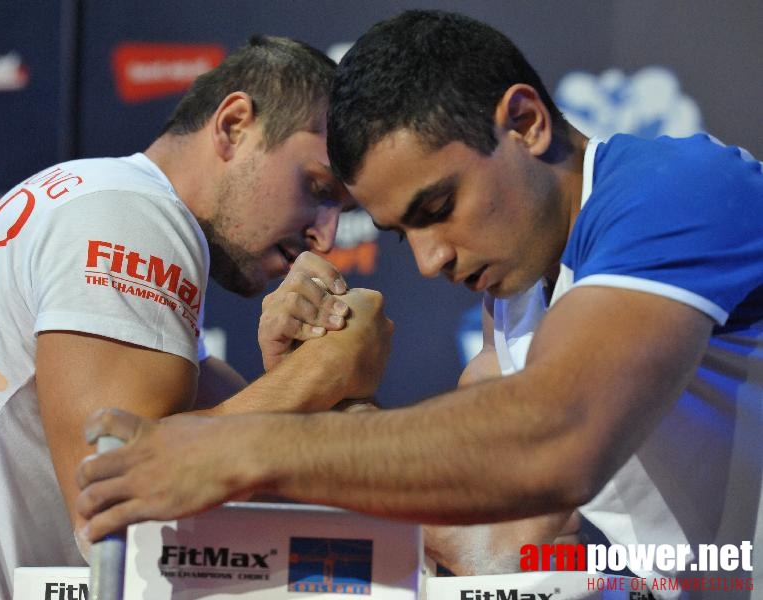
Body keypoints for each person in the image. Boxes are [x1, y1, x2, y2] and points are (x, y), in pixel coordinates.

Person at [75, 9, 763, 593]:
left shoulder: (676, 190)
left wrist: (241, 445)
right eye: (404, 235)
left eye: (437, 206)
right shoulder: (518, 275)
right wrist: (329, 393)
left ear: (523, 123)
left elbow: (557, 437)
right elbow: (490, 520)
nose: (431, 260)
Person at [0, 35, 394, 598]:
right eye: (317, 187)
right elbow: (112, 507)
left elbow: (273, 473)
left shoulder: (102, 202)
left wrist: (303, 374)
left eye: (344, 209)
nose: (327, 235)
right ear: (235, 124)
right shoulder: (133, 214)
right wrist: (321, 372)